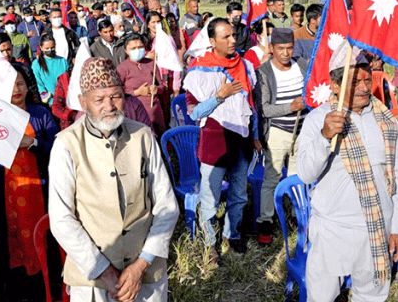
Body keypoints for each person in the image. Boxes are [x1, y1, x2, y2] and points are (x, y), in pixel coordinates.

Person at [48, 57, 178, 302]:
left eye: (116, 97)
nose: (109, 106)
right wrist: (106, 274)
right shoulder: (66, 145)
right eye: (99, 99)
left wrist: (140, 266)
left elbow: (167, 207)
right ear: (83, 103)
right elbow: (62, 220)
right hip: (93, 279)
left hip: (145, 271)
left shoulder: (142, 136)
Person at [297, 42, 398, 302]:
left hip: (377, 230)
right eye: (354, 80)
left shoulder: (388, 121)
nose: (362, 87)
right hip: (332, 230)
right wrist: (325, 136)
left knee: (371, 297)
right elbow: (304, 174)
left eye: (367, 79)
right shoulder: (319, 119)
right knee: (322, 297)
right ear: (335, 85)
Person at [0, 64, 58, 300]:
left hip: (40, 193)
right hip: (3, 198)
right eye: (10, 84)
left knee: (44, 246)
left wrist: (32, 144)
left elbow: (58, 150)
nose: (16, 89)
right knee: (8, 251)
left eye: (20, 83)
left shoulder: (40, 115)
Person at [184, 18, 257, 258]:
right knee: (210, 197)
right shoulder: (199, 70)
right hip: (215, 140)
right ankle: (210, 243)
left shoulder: (245, 66)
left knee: (239, 194)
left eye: (233, 35)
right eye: (225, 37)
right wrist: (219, 96)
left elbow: (251, 104)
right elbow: (195, 112)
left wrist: (254, 135)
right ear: (212, 41)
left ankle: (231, 234)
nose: (233, 40)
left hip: (241, 139)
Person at [252, 28, 308, 245]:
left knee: (297, 176)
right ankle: (265, 223)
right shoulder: (264, 72)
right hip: (277, 133)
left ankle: (297, 217)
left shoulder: (302, 65)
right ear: (272, 48)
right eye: (281, 48)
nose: (285, 53)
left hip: (302, 131)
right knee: (272, 178)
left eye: (289, 48)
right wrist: (290, 107)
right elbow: (264, 109)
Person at [117, 34, 167, 136]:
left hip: (155, 110)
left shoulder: (151, 63)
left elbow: (163, 86)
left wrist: (157, 89)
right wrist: (137, 92)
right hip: (135, 113)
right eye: (133, 48)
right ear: (126, 50)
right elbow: (117, 91)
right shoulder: (122, 68)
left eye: (140, 47)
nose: (137, 50)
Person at [31, 34, 69, 105]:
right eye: (47, 48)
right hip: (48, 103)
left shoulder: (63, 61)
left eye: (52, 48)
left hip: (65, 101)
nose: (50, 50)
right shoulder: (36, 64)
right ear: (41, 48)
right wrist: (50, 100)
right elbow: (39, 85)